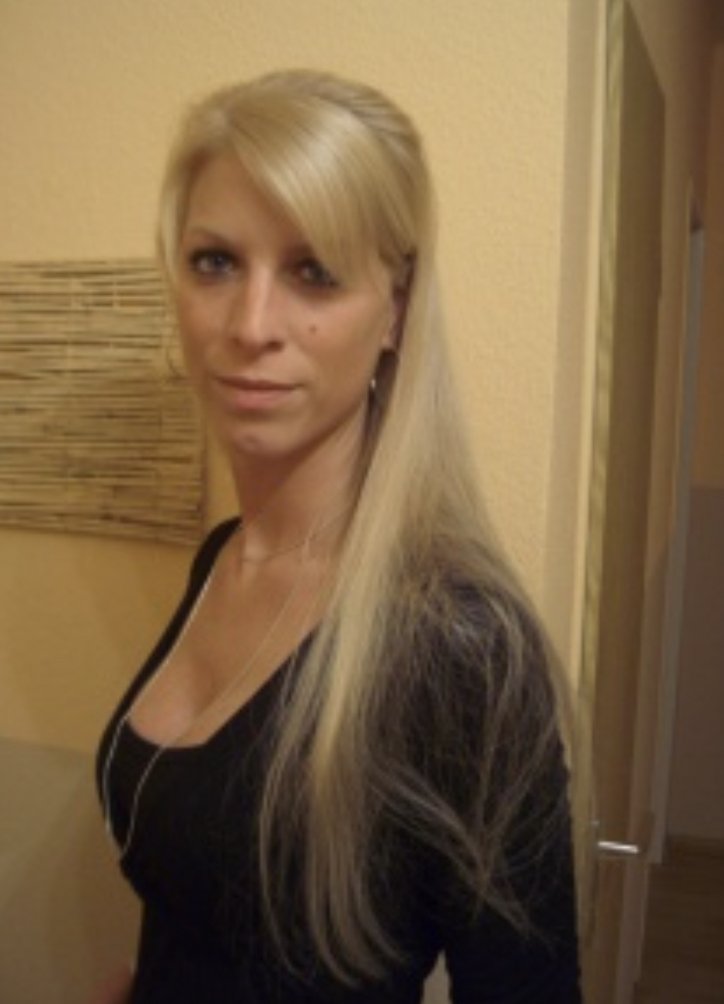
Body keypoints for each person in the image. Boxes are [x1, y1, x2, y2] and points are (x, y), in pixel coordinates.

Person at [95, 69, 581, 1003]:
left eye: (314, 271)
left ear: (395, 309)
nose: (250, 325)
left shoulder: (460, 642)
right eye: (215, 262)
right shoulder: (221, 560)